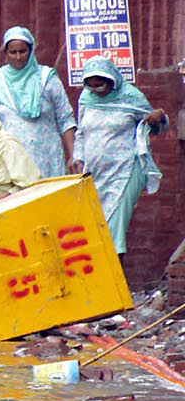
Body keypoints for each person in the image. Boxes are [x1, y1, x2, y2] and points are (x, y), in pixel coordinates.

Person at [71, 56, 169, 256]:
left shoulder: (130, 97)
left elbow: (157, 123)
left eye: (101, 86)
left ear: (112, 80)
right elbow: (81, 132)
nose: (97, 90)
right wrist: (78, 158)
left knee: (115, 230)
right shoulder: (86, 98)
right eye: (92, 87)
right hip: (95, 173)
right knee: (97, 227)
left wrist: (158, 117)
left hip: (124, 171)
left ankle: (115, 280)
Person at [0, 27, 74, 179]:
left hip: (47, 159)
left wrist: (72, 155)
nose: (18, 57)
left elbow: (65, 118)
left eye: (23, 51)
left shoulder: (47, 80)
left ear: (31, 51)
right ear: (6, 53)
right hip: (10, 161)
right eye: (13, 52)